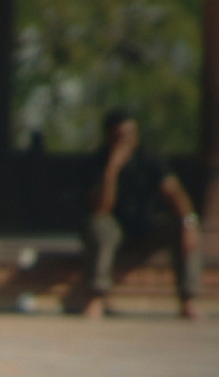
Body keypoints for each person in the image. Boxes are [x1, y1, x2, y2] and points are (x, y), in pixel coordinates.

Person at [81, 110, 203, 320]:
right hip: (115, 230)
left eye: (131, 134)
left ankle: (189, 299)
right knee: (98, 225)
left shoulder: (150, 159)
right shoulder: (97, 162)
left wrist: (189, 222)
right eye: (120, 136)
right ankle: (97, 296)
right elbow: (102, 209)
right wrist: (112, 170)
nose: (126, 141)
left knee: (183, 225)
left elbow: (174, 193)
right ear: (109, 137)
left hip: (146, 228)